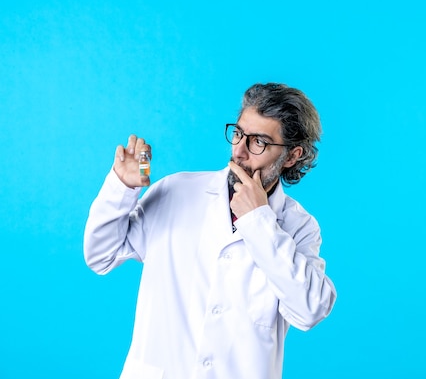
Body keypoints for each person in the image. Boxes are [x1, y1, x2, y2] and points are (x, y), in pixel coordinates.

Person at [84, 83, 337, 379]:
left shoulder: (299, 227)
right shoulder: (176, 191)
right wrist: (123, 186)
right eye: (239, 133)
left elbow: (309, 310)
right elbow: (100, 256)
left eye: (259, 142)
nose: (240, 151)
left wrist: (259, 220)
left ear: (292, 156)